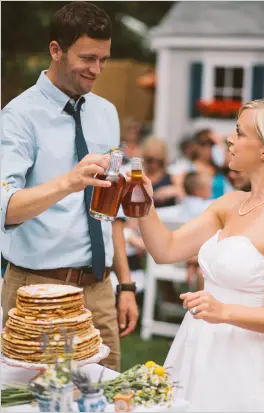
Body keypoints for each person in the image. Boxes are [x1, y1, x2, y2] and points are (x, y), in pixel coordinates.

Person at [0, 2, 139, 371]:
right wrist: (68, 182)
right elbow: (6, 208)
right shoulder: (18, 116)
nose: (97, 70)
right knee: (35, 403)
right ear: (56, 50)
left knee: (107, 399)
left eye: (104, 59)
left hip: (99, 290)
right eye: (88, 58)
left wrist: (125, 285)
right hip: (36, 290)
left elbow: (113, 209)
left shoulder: (106, 112)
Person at [130, 99, 264, 411]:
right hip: (197, 345)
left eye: (239, 132)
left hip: (244, 360)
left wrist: (224, 311)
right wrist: (143, 202)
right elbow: (165, 249)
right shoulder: (230, 203)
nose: (229, 140)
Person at [141, 136, 180, 208]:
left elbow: (185, 195)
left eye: (159, 161)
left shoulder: (173, 178)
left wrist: (172, 191)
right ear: (145, 158)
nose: (154, 164)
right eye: (150, 160)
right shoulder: (138, 178)